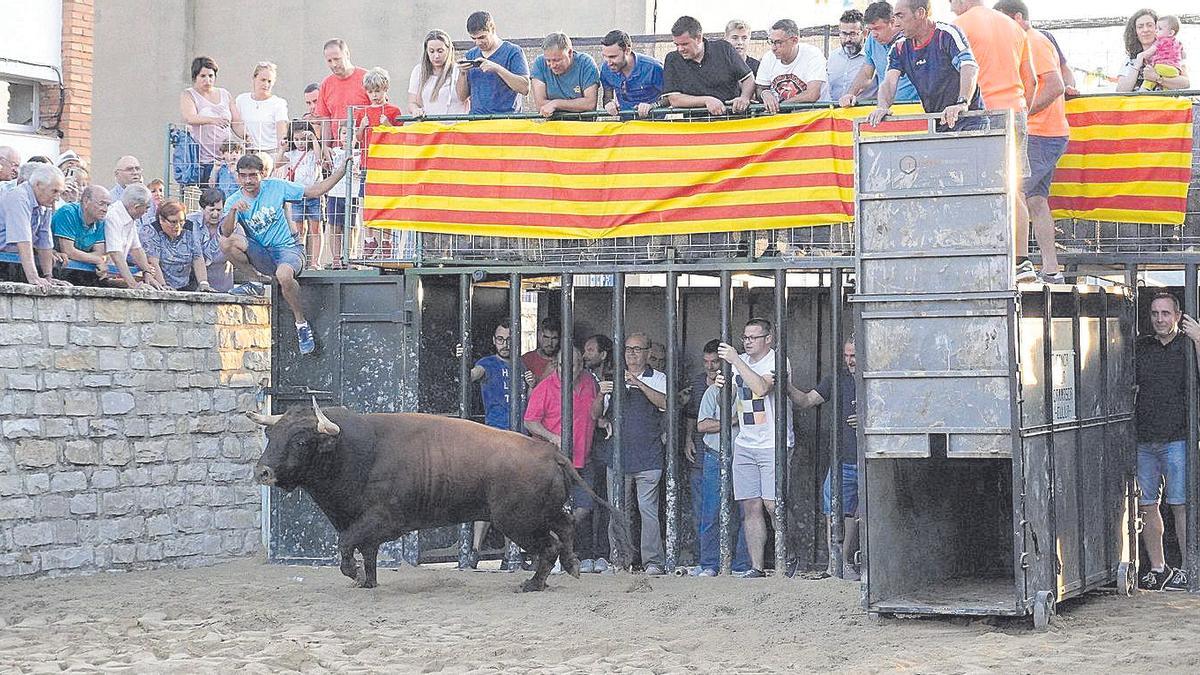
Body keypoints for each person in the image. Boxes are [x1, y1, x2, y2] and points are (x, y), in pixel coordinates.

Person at [221, 153, 349, 354]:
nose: (248, 181)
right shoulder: (234, 200)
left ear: (262, 174)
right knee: (228, 242)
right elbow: (226, 232)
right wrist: (233, 212)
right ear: (238, 176)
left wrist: (340, 173)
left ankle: (301, 323)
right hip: (263, 253)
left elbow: (314, 191)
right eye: (244, 176)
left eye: (253, 175)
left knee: (283, 275)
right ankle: (255, 282)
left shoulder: (276, 186)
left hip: (289, 249)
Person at [950, 0, 1037, 283]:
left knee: (977, 189)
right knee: (1014, 190)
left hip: (981, 113)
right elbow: (1032, 81)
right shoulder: (1014, 27)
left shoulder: (960, 26)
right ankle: (1022, 261)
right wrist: (1023, 110)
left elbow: (956, 75)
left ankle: (983, 256)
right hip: (1016, 110)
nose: (951, 8)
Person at [995, 0, 1069, 283]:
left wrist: (1024, 114)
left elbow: (1054, 84)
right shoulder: (1030, 40)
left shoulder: (1032, 41)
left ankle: (1020, 263)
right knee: (1036, 200)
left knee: (1014, 195)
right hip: (1045, 132)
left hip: (1040, 133)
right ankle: (1051, 269)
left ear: (1017, 18)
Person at [716, 319, 793, 578]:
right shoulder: (740, 363)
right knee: (750, 506)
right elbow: (726, 402)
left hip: (773, 442)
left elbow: (761, 388)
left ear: (768, 338)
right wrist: (721, 387)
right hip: (746, 442)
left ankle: (787, 556)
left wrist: (736, 361)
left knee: (773, 504)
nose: (747, 341)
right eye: (745, 337)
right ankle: (756, 567)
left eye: (753, 337)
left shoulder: (776, 361)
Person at [1134, 293, 1200, 591]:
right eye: (1154, 313)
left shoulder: (1187, 346)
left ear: (1178, 316)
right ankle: (1158, 568)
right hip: (1144, 439)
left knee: (1181, 506)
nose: (1159, 319)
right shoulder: (1141, 347)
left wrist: (1198, 339)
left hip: (1178, 439)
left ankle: (1188, 569)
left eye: (1165, 313)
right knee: (1147, 505)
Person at [595, 332, 668, 575]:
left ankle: (653, 562)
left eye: (637, 349)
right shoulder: (611, 379)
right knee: (618, 511)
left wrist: (637, 383)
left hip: (649, 457)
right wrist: (600, 393)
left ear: (649, 353)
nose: (632, 354)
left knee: (648, 512)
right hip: (617, 458)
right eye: (628, 349)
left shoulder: (659, 378)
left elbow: (665, 403)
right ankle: (619, 560)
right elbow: (596, 415)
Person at [459, 319, 531, 569]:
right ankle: (475, 550)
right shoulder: (486, 364)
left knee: (514, 499)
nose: (504, 344)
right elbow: (469, 377)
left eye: (509, 340)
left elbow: (532, 403)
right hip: (494, 438)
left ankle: (510, 553)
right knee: (487, 497)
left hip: (520, 440)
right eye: (500, 339)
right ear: (493, 340)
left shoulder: (523, 366)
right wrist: (461, 362)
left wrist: (531, 385)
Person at [524, 345, 601, 573]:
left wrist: (603, 421)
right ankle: (554, 554)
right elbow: (530, 421)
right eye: (565, 365)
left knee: (584, 506)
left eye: (576, 364)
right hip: (553, 462)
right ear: (557, 365)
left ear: (582, 364)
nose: (571, 369)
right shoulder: (545, 387)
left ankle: (564, 549)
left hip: (582, 458)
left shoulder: (589, 382)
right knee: (552, 509)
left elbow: (593, 411)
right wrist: (553, 437)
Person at [791, 337, 861, 580]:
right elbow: (807, 400)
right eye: (846, 356)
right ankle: (837, 564)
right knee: (836, 508)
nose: (849, 361)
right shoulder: (837, 380)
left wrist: (868, 420)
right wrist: (786, 386)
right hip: (842, 459)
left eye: (854, 356)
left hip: (872, 459)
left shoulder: (879, 379)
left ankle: (851, 562)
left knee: (861, 511)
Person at [866, 0, 983, 133]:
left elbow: (969, 66)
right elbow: (889, 82)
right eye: (895, 17)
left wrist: (962, 103)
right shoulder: (899, 47)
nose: (896, 23)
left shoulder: (946, 34)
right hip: (938, 123)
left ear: (920, 13)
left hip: (970, 120)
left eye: (901, 16)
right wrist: (882, 106)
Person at [689, 339, 752, 576]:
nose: (713, 368)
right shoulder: (711, 391)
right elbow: (702, 425)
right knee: (712, 512)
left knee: (746, 512)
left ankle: (741, 565)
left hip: (744, 457)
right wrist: (732, 421)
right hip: (716, 456)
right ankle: (710, 564)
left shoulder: (749, 390)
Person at [663, 16, 755, 115]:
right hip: (693, 124)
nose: (680, 49)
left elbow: (748, 78)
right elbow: (674, 99)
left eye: (685, 44)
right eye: (677, 45)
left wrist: (744, 97)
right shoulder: (672, 59)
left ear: (698, 38)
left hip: (730, 120)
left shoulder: (724, 49)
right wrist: (706, 100)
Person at [0, 163, 69, 287]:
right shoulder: (19, 196)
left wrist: (48, 276)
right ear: (38, 185)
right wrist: (33, 277)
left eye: (60, 192)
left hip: (14, 258)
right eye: (54, 191)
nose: (57, 198)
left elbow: (45, 241)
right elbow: (23, 240)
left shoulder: (45, 203)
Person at [841, 2, 920, 108]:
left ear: (893, 22)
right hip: (884, 109)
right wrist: (850, 93)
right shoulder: (871, 40)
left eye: (877, 28)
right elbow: (866, 73)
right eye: (870, 30)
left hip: (914, 109)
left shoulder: (912, 39)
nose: (873, 34)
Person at [581, 334, 615, 573]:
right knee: (583, 500)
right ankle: (583, 553)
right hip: (586, 447)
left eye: (591, 350)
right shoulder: (580, 378)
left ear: (603, 355)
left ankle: (603, 553)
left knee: (605, 501)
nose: (586, 355)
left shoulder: (614, 377)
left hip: (607, 448)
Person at [276, 120, 330, 269]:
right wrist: (282, 149)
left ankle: (315, 262)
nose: (300, 143)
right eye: (297, 139)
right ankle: (301, 260)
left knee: (316, 229)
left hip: (315, 194)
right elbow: (277, 164)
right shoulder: (292, 154)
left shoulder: (313, 152)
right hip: (297, 195)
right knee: (300, 230)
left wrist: (313, 139)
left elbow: (319, 158)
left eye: (303, 139)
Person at [180, 56, 241, 183]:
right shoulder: (189, 95)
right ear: (195, 77)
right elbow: (190, 117)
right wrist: (213, 120)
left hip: (227, 157)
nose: (207, 80)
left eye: (211, 76)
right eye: (203, 76)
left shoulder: (225, 94)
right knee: (209, 197)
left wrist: (246, 136)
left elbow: (236, 123)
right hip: (205, 159)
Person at [455, 11, 531, 115]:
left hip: (507, 121)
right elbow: (461, 97)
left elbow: (525, 88)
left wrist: (497, 69)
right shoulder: (471, 55)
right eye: (473, 38)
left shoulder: (513, 51)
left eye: (482, 37)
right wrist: (462, 73)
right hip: (477, 121)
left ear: (493, 29)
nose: (478, 42)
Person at [756, 19, 827, 113]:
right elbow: (760, 87)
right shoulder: (768, 57)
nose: (773, 48)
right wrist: (765, 94)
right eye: (771, 42)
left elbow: (812, 94)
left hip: (813, 118)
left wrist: (781, 106)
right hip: (784, 119)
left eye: (778, 42)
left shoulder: (812, 54)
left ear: (794, 40)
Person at [143, 199, 211, 291]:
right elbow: (153, 262)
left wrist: (203, 283)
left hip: (187, 282)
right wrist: (163, 286)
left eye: (181, 221)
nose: (178, 226)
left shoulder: (191, 227)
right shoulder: (150, 230)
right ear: (161, 220)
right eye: (173, 222)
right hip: (160, 284)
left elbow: (198, 257)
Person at [104, 183, 162, 290]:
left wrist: (147, 272)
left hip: (115, 274)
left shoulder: (130, 216)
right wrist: (133, 284)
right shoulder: (113, 216)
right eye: (146, 208)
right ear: (136, 207)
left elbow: (137, 249)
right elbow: (115, 254)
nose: (146, 212)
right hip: (103, 275)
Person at [1117, 9, 1190, 92]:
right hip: (1139, 104)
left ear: (1158, 28)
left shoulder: (1174, 52)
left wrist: (1157, 78)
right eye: (1140, 27)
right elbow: (1121, 90)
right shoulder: (1130, 59)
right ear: (1135, 32)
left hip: (1167, 103)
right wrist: (1137, 65)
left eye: (1150, 25)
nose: (1145, 30)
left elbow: (1186, 83)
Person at [51, 184, 113, 282]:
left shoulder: (101, 220)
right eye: (101, 204)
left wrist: (98, 258)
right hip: (53, 268)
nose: (105, 209)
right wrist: (97, 260)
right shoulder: (67, 212)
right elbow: (69, 251)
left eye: (108, 205)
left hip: (76, 271)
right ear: (86, 202)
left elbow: (100, 252)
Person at [531, 32, 600, 118]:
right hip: (553, 126)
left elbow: (590, 104)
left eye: (557, 60)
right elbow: (540, 105)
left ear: (570, 53)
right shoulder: (539, 63)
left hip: (584, 126)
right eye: (548, 61)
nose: (552, 65)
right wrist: (576, 104)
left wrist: (556, 103)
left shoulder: (586, 63)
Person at [599, 30, 663, 118]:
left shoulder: (653, 67)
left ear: (627, 51)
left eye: (612, 57)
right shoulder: (605, 69)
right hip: (626, 125)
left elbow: (670, 97)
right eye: (605, 56)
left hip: (655, 124)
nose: (608, 62)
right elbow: (607, 96)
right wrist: (609, 104)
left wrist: (653, 106)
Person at [409, 29, 469, 117]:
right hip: (429, 127)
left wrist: (463, 74)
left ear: (449, 50)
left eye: (440, 51)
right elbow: (412, 102)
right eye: (432, 51)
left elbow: (463, 98)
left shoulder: (458, 70)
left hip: (455, 127)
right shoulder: (418, 71)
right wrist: (416, 110)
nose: (436, 56)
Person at [314, 39, 371, 126]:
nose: (334, 64)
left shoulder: (367, 78)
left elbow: (380, 108)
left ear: (347, 54)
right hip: (337, 139)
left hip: (367, 137)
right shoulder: (326, 84)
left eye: (337, 59)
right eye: (329, 61)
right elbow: (325, 120)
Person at [235, 61, 289, 153]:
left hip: (270, 152)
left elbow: (282, 133)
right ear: (254, 78)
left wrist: (280, 156)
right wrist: (246, 137)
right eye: (263, 80)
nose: (266, 84)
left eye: (269, 81)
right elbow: (236, 124)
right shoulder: (241, 100)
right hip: (248, 152)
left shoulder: (278, 103)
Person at [188, 187, 233, 292]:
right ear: (203, 208)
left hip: (222, 285)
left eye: (219, 210)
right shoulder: (190, 221)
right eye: (211, 210)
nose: (215, 214)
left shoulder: (229, 222)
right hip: (194, 286)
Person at [823, 10, 870, 102]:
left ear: (864, 33)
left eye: (852, 34)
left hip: (862, 112)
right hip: (835, 113)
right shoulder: (833, 57)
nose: (848, 39)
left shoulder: (872, 58)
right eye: (844, 34)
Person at [110, 156, 157, 230]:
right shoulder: (111, 200)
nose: (135, 172)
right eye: (129, 169)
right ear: (117, 174)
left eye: (137, 169)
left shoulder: (149, 197)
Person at [1141, 16, 1186, 91]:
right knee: (1168, 86)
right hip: (1175, 70)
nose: (1156, 31)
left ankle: (1144, 89)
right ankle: (1167, 93)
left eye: (1160, 29)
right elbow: (1184, 56)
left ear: (1171, 33)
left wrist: (1142, 56)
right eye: (1156, 28)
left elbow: (1148, 53)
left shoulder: (1160, 41)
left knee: (1150, 76)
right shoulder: (1179, 43)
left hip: (1161, 67)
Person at [522, 317, 561, 386]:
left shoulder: (565, 361)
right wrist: (545, 375)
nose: (549, 343)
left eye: (554, 338)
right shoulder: (526, 360)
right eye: (546, 337)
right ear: (539, 336)